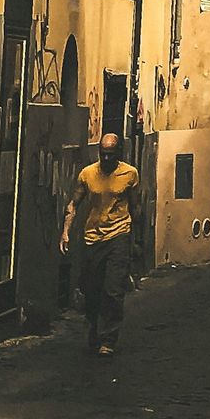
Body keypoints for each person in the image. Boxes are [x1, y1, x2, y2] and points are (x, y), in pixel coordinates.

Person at [62, 131, 140, 358]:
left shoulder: (130, 174)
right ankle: (94, 327)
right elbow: (73, 204)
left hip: (119, 235)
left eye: (110, 155)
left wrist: (135, 239)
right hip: (92, 238)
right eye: (103, 154)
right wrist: (65, 232)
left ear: (118, 153)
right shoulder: (87, 174)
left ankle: (109, 338)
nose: (106, 159)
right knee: (92, 289)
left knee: (113, 290)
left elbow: (135, 207)